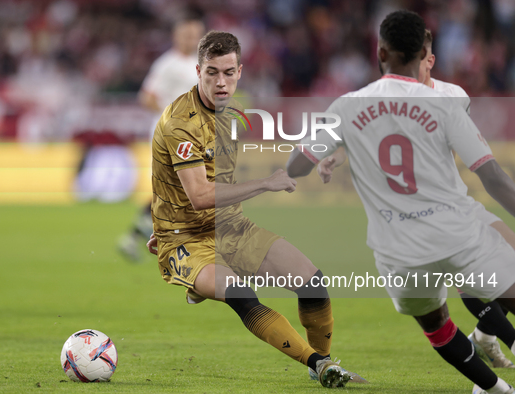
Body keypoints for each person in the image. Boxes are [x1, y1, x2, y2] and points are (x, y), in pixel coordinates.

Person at [287, 10, 515, 394]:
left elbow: (296, 167)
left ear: (381, 52)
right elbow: (491, 176)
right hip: (455, 231)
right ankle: (493, 346)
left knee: (436, 326)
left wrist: (323, 148)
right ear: (424, 53)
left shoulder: (347, 105)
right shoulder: (444, 102)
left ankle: (495, 390)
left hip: (398, 249)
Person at [146, 30, 363, 388]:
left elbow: (275, 150)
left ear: (240, 71)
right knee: (242, 295)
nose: (221, 82)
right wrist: (264, 184)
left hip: (230, 226)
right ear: (197, 71)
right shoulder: (180, 123)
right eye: (212, 72)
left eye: (228, 72)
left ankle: (323, 362)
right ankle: (319, 365)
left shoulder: (234, 111)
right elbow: (200, 195)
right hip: (184, 239)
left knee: (313, 284)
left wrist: (323, 157)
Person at [419, 28, 515, 369]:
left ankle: (486, 337)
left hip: (457, 203)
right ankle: (505, 341)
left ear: (429, 60)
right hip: (414, 218)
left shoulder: (453, 96)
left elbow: (484, 167)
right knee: (470, 277)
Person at [119, 16, 205, 262]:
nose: (193, 39)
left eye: (196, 35)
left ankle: (138, 233)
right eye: (188, 35)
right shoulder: (167, 64)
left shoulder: (198, 64)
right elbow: (146, 97)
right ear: (176, 36)